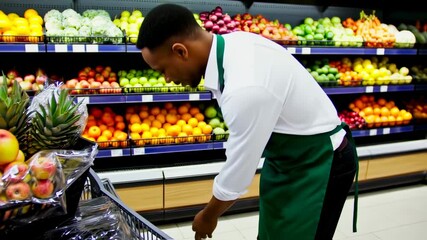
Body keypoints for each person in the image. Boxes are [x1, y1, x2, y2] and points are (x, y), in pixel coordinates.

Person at [136, 3, 358, 240]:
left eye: (163, 70)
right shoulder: (234, 44)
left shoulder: (245, 86)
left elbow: (239, 170)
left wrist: (208, 216)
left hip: (320, 164)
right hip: (289, 161)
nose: (168, 79)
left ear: (181, 51)